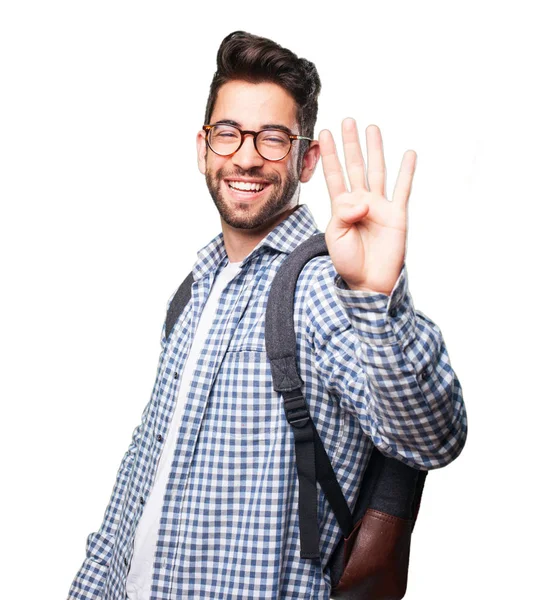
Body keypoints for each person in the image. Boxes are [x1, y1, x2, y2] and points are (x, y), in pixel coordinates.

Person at [68, 30, 467, 600]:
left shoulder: (322, 290)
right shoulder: (193, 293)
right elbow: (140, 479)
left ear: (306, 161)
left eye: (273, 138)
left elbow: (433, 436)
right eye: (228, 134)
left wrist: (379, 302)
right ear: (203, 148)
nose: (247, 156)